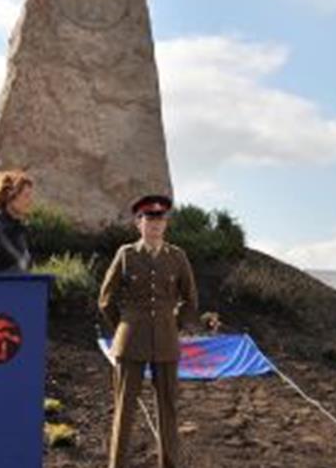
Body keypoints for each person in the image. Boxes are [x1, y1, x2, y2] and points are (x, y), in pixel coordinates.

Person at [99, 195, 198, 468]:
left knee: (168, 409)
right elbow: (106, 299)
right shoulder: (126, 255)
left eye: (160, 220)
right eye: (149, 220)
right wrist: (123, 325)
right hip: (130, 340)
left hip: (166, 341)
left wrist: (174, 325)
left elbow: (191, 299)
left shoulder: (177, 257)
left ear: (166, 224)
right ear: (138, 223)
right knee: (124, 409)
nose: (155, 225)